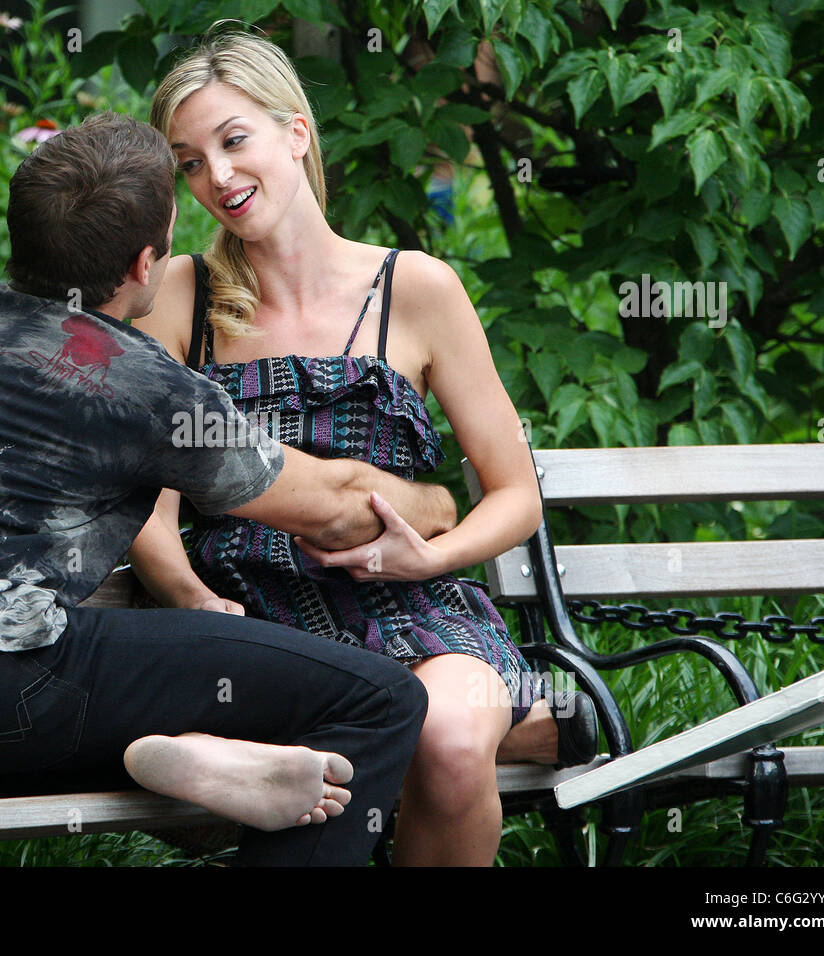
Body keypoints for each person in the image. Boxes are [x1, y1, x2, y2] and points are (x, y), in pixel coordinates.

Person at [0, 112, 460, 866]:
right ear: (143, 264)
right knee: (379, 698)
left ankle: (177, 751)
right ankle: (191, 749)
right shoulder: (128, 378)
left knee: (117, 702)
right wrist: (440, 506)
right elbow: (333, 505)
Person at [130, 33, 598, 866]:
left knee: (451, 742)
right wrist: (192, 601)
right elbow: (146, 508)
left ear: (297, 133)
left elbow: (516, 494)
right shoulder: (182, 297)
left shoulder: (415, 289)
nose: (219, 178)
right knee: (376, 746)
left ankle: (503, 718)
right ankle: (526, 724)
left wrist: (432, 556)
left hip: (412, 603)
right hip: (259, 615)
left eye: (234, 141)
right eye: (190, 162)